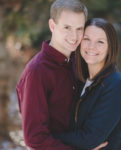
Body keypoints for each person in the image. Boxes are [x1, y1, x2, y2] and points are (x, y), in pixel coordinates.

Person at [16, 0, 87, 149]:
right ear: (52, 26)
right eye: (67, 27)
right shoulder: (37, 72)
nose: (74, 36)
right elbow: (35, 138)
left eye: (79, 28)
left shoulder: (77, 61)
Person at [54, 18, 121, 150]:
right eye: (87, 39)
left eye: (100, 42)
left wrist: (46, 137)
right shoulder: (79, 81)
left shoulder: (115, 86)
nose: (91, 47)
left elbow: (89, 139)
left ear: (110, 48)